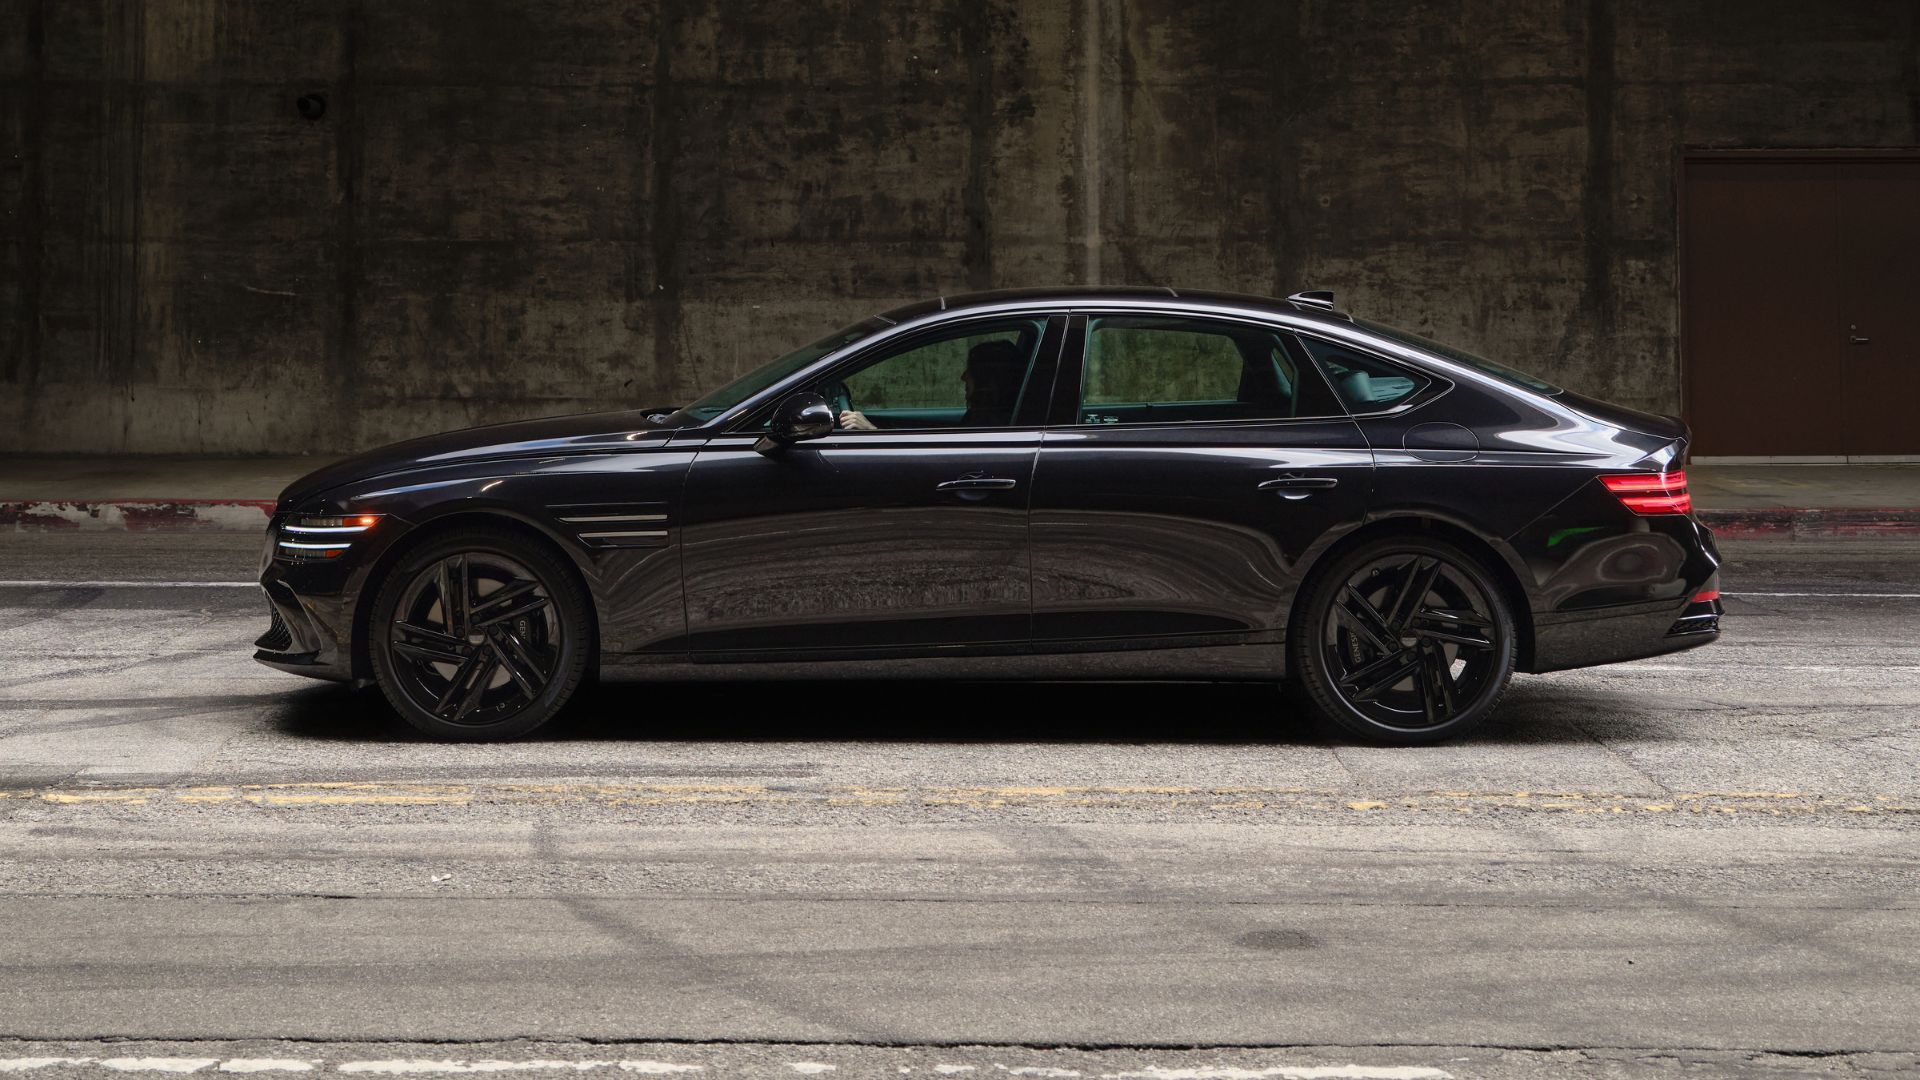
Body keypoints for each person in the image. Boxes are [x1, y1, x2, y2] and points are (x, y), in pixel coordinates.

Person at [838, 340, 1027, 431]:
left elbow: (947, 461)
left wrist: (871, 432)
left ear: (988, 379)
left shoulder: (993, 426)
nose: (963, 377)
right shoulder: (986, 415)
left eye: (970, 370)